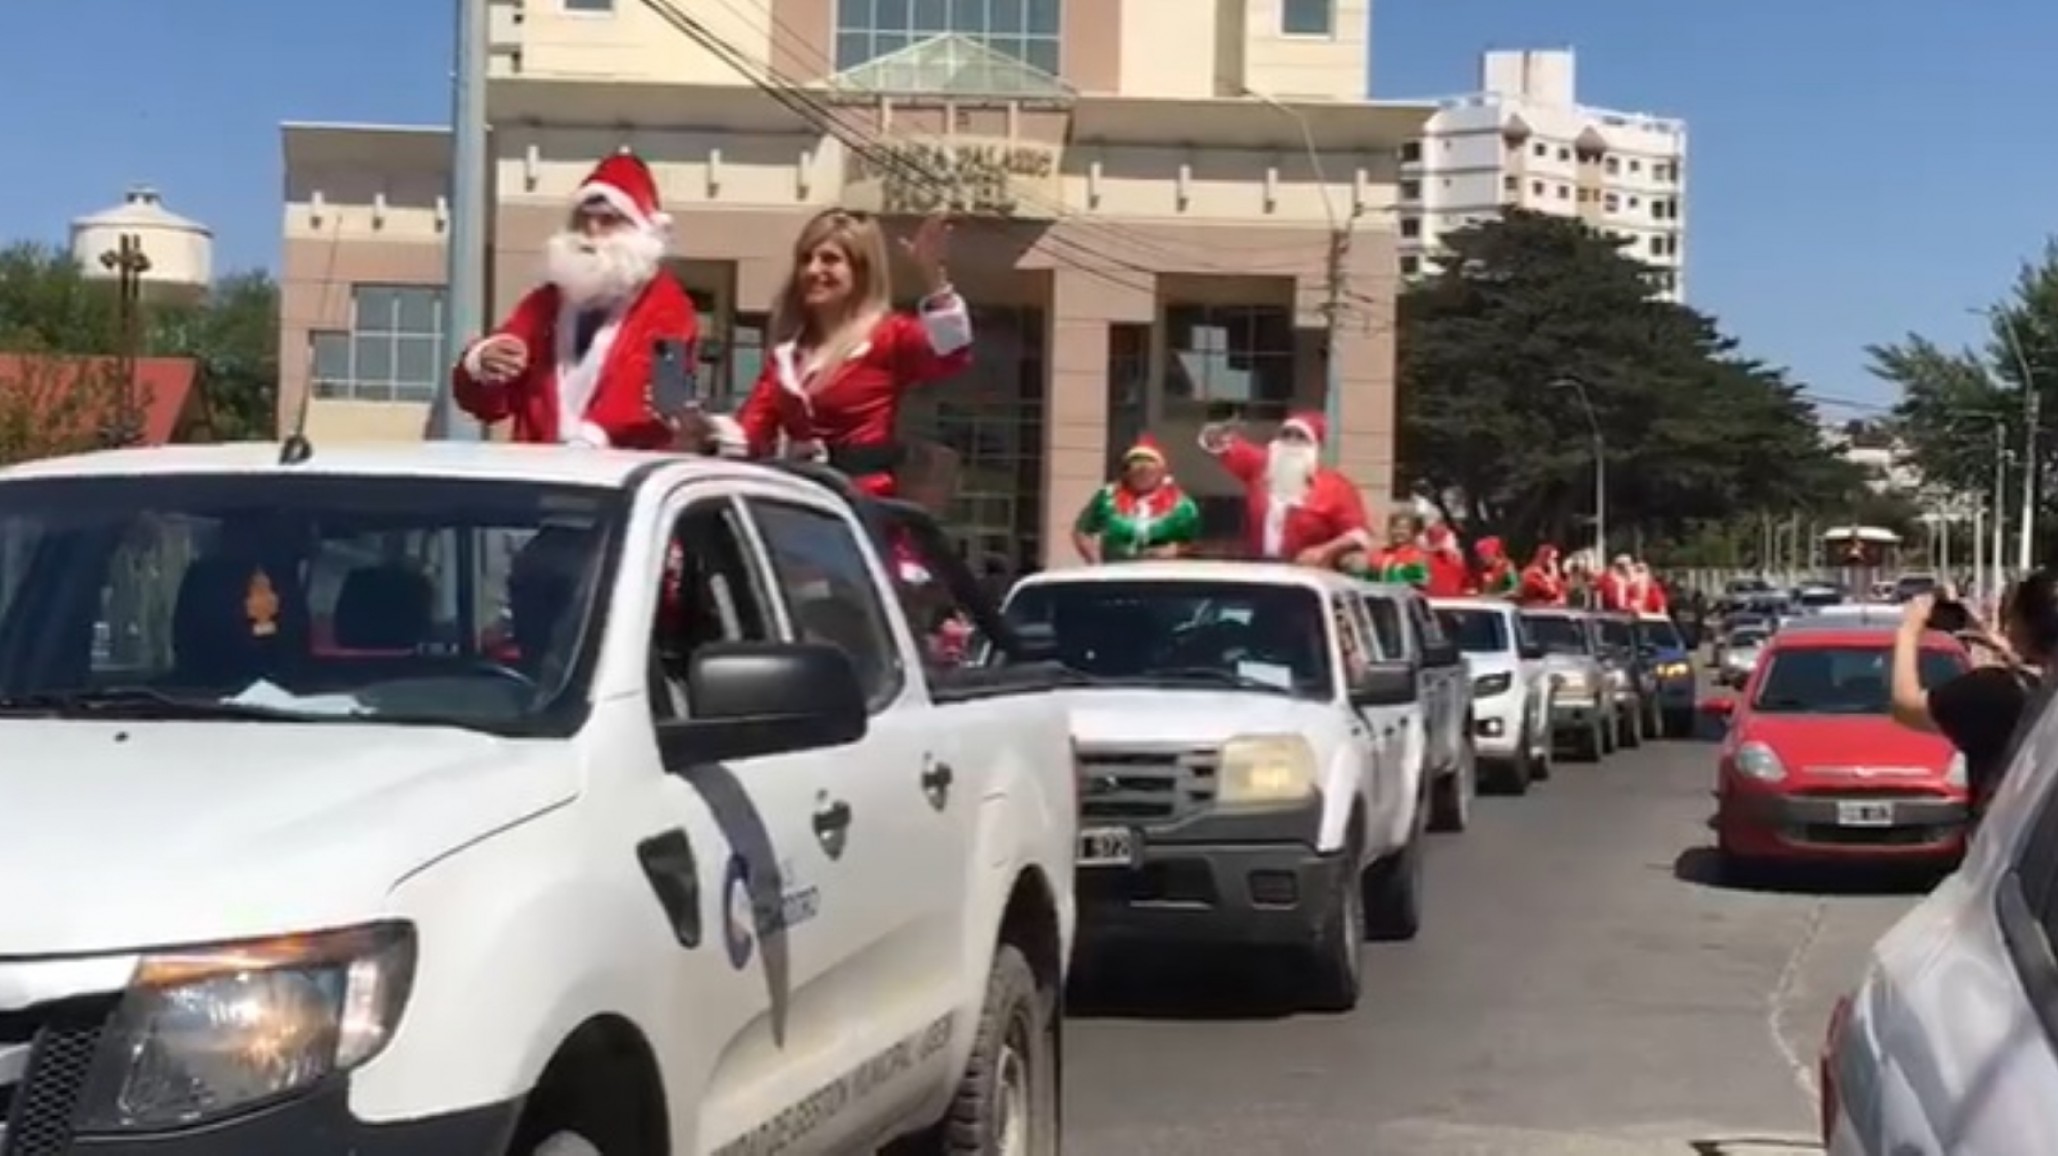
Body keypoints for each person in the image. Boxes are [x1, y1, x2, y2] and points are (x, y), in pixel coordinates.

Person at [701, 208, 968, 498]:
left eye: (830, 259)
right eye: (806, 259)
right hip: (801, 500)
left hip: (863, 508)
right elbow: (749, 433)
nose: (813, 270)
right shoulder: (789, 354)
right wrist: (700, 427)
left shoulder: (890, 335)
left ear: (861, 270)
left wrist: (934, 278)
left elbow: (951, 355)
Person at [452, 149, 699, 449]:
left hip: (622, 480)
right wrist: (482, 363)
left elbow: (668, 397)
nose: (591, 232)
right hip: (541, 478)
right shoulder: (545, 304)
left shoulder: (673, 309)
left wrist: (594, 438)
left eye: (608, 220)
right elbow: (488, 404)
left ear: (641, 231)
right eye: (583, 220)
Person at [1890, 574, 2058, 819]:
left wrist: (1908, 632)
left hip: (2009, 846)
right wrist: (1997, 643)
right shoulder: (2035, 693)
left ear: (2020, 625)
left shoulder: (1994, 691)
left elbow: (1906, 707)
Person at [1198, 412, 1371, 565]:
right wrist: (1218, 433)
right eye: (1286, 434)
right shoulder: (1260, 466)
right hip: (1258, 568)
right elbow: (1215, 444)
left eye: (1300, 436)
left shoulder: (1335, 486)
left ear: (1314, 446)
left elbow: (1358, 534)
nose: (1291, 441)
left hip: (1306, 575)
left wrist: (1324, 551)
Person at [1072, 434, 1201, 563]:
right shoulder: (1108, 497)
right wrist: (1095, 563)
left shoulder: (1181, 504)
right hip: (1117, 574)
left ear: (1161, 472)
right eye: (1137, 471)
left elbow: (1197, 543)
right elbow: (1082, 531)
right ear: (1127, 473)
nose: (1143, 476)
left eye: (1150, 471)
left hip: (1163, 575)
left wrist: (1176, 550)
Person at [1423, 521, 1469, 596]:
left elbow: (1465, 582)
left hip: (1452, 601)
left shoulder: (1456, 558)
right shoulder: (1422, 557)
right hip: (1435, 601)